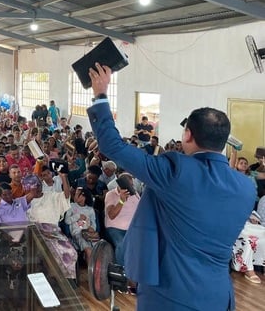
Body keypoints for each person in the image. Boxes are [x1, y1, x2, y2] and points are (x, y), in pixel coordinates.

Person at [87, 63, 255, 310]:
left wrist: (101, 94)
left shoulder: (175, 171)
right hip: (218, 294)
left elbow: (113, 146)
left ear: (187, 135)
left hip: (170, 293)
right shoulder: (246, 188)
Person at [104, 173, 140, 266]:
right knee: (122, 245)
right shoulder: (111, 194)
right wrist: (121, 201)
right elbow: (111, 215)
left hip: (133, 227)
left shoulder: (134, 194)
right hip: (116, 228)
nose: (132, 187)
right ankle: (122, 270)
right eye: (130, 185)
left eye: (132, 185)